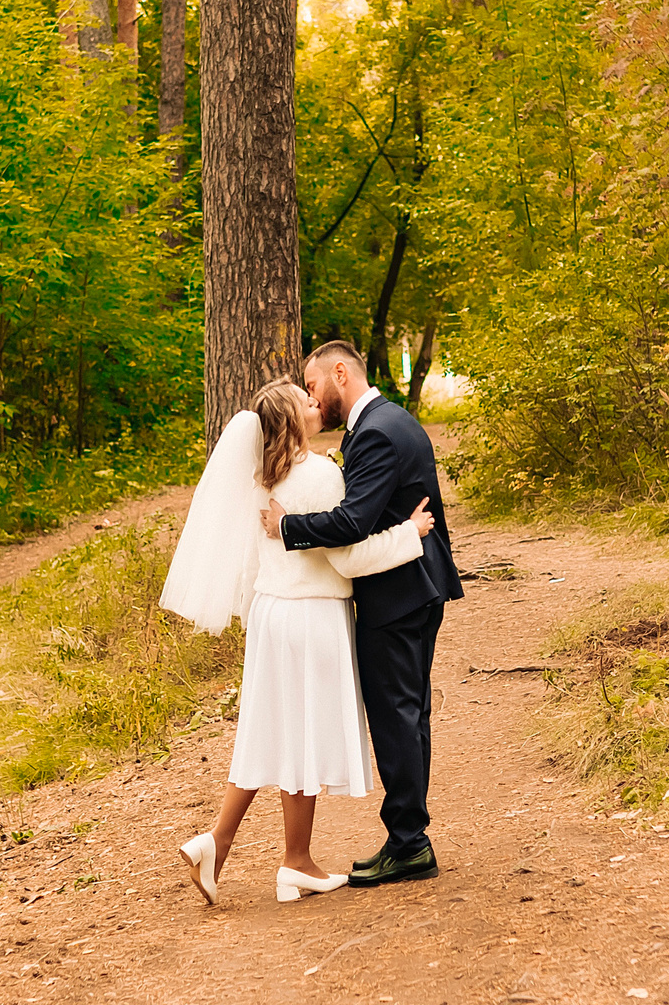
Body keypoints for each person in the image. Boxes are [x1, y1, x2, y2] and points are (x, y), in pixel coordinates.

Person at [159, 379, 437, 904]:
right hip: (312, 616)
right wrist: (409, 533)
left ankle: (229, 845)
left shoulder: (264, 476)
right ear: (291, 419)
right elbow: (348, 557)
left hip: (271, 614)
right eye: (303, 399)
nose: (315, 402)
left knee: (272, 733)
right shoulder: (321, 475)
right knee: (302, 734)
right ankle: (292, 862)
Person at [259, 340, 463, 887]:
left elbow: (351, 523)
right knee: (409, 714)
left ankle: (409, 844)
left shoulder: (374, 432)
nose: (310, 394)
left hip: (397, 594)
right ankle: (407, 838)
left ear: (340, 373)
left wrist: (287, 527)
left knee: (397, 716)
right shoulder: (393, 420)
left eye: (312, 382)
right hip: (415, 588)